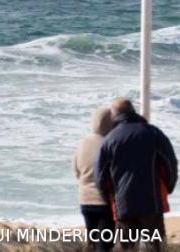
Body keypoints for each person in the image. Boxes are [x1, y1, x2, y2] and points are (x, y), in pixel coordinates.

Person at [96, 98, 178, 250]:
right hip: (151, 202)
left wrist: (108, 199)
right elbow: (170, 164)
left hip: (124, 205)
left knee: (127, 247)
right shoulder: (153, 133)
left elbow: (100, 177)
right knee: (155, 246)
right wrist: (169, 187)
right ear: (133, 111)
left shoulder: (109, 140)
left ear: (114, 116)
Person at [73, 107, 115, 252]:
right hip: (104, 202)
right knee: (105, 244)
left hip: (85, 200)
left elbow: (76, 171)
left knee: (92, 242)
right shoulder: (110, 143)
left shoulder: (83, 143)